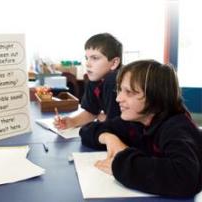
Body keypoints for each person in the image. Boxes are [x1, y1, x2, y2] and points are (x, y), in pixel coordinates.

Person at [80, 59, 202, 197]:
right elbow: (87, 130)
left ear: (155, 96)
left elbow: (185, 178)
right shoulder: (136, 120)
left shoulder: (177, 127)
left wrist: (121, 162)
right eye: (119, 90)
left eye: (129, 92)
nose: (118, 99)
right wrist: (110, 138)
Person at [54, 33, 122, 130]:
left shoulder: (113, 80)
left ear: (114, 63)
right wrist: (72, 121)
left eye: (94, 58)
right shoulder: (94, 80)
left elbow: (113, 123)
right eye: (87, 58)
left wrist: (103, 118)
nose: (87, 64)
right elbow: (92, 112)